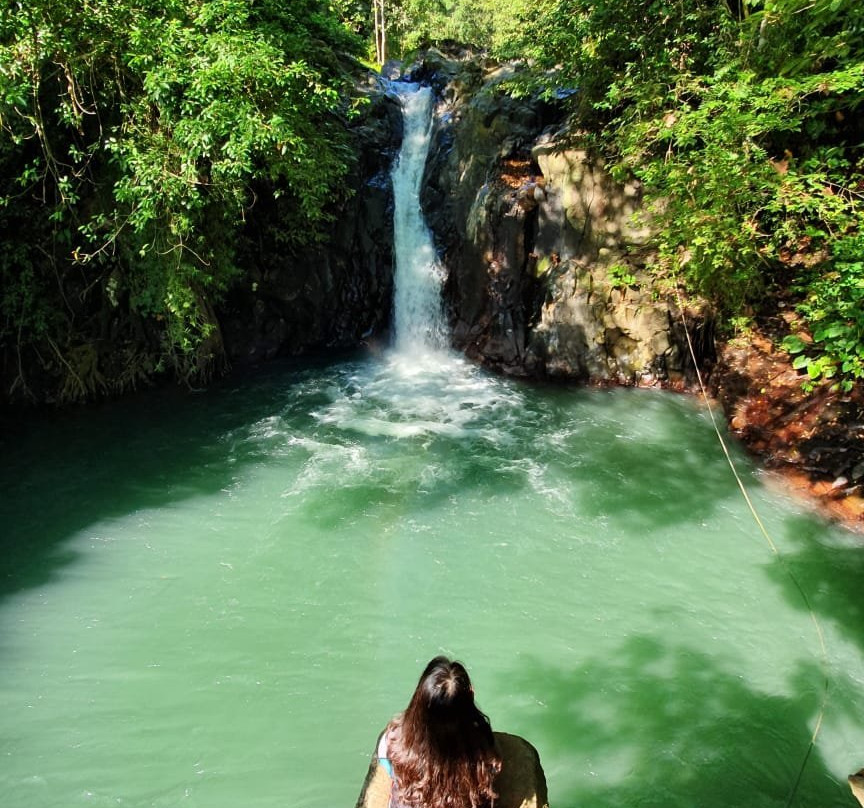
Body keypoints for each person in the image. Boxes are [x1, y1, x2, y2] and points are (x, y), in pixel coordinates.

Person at [356, 656, 549, 808]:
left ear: (419, 699)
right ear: (470, 697)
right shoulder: (483, 749)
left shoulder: (393, 741)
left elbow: (389, 769)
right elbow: (492, 770)